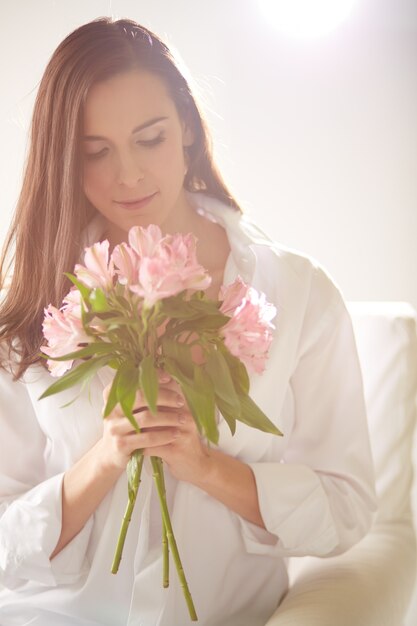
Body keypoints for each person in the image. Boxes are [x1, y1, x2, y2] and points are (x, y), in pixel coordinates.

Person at [0, 16, 376, 626]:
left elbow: (349, 509)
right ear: (64, 162)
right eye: (95, 152)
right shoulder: (31, 305)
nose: (128, 175)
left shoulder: (299, 294)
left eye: (150, 138)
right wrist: (103, 459)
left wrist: (206, 466)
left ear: (190, 133)